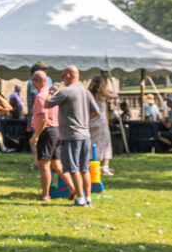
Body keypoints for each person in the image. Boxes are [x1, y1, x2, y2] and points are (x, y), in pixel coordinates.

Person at [46, 66, 100, 207]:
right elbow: (97, 112)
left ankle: (80, 199)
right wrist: (83, 121)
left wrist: (51, 91)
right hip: (85, 135)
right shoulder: (85, 91)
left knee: (74, 168)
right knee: (84, 169)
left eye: (63, 75)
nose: (62, 78)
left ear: (69, 76)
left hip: (71, 136)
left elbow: (47, 104)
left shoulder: (65, 91)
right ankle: (88, 198)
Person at [29, 70, 73, 201]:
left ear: (36, 81)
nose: (32, 83)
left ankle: (45, 195)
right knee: (57, 164)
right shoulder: (53, 94)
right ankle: (72, 187)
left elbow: (43, 118)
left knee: (44, 165)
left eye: (33, 81)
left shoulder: (40, 96)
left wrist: (35, 136)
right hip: (57, 130)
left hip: (46, 131)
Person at [87, 75, 117, 176]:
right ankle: (105, 166)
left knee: (91, 144)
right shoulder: (104, 94)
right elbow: (115, 95)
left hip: (90, 122)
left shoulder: (89, 94)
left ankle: (92, 164)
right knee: (106, 143)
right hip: (101, 122)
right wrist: (106, 89)